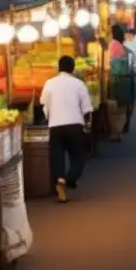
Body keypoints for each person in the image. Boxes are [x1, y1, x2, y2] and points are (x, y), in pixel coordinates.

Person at [40, 56, 94, 203]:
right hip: (75, 124)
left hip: (55, 125)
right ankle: (69, 179)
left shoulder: (49, 83)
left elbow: (43, 102)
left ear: (59, 67)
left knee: (57, 156)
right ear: (73, 68)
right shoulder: (79, 84)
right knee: (78, 156)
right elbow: (87, 108)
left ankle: (60, 180)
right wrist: (87, 125)